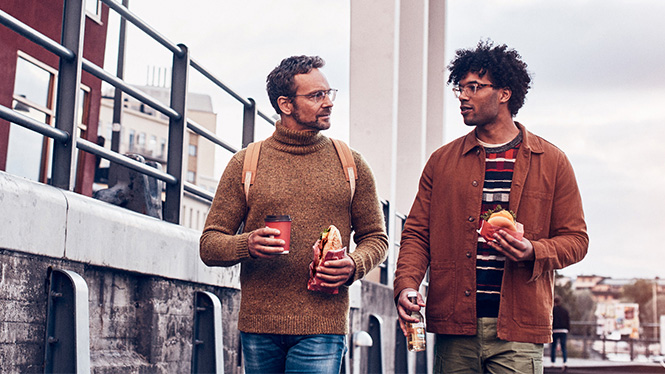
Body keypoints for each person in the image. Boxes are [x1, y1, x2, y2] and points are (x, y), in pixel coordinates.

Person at [393, 40, 588, 373]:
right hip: (455, 326)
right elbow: (416, 232)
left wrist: (533, 250)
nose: (463, 96)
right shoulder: (442, 162)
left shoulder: (552, 161)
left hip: (519, 330)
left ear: (504, 93)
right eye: (460, 88)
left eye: (474, 87)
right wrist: (407, 284)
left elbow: (576, 240)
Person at [200, 55, 388, 374]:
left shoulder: (351, 164)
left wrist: (354, 265)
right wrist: (248, 244)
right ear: (286, 104)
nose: (328, 102)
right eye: (316, 96)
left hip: (323, 326)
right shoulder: (246, 163)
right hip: (259, 326)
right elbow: (209, 244)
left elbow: (376, 238)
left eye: (329, 94)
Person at [551, 296, 570, 368]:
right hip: (563, 330)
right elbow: (568, 320)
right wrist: (568, 329)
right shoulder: (565, 310)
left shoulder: (553, 310)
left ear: (554, 302)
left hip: (555, 330)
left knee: (553, 346)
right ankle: (564, 362)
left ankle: (553, 362)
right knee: (563, 347)